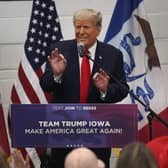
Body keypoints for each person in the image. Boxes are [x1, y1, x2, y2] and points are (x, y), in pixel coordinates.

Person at [40, 8, 129, 168]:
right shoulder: (59, 50)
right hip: (64, 130)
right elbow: (45, 85)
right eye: (77, 26)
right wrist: (56, 75)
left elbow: (122, 88)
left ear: (98, 29)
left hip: (97, 133)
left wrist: (105, 90)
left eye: (86, 27)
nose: (80, 31)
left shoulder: (112, 54)